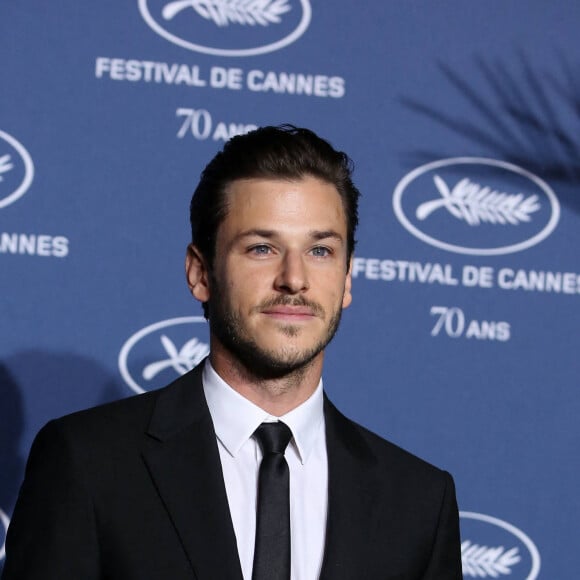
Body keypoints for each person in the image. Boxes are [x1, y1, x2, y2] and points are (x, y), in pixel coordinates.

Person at [2, 125, 462, 579]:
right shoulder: (89, 463)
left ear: (346, 280)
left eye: (320, 250)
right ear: (201, 273)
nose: (294, 278)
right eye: (262, 248)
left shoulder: (419, 500)